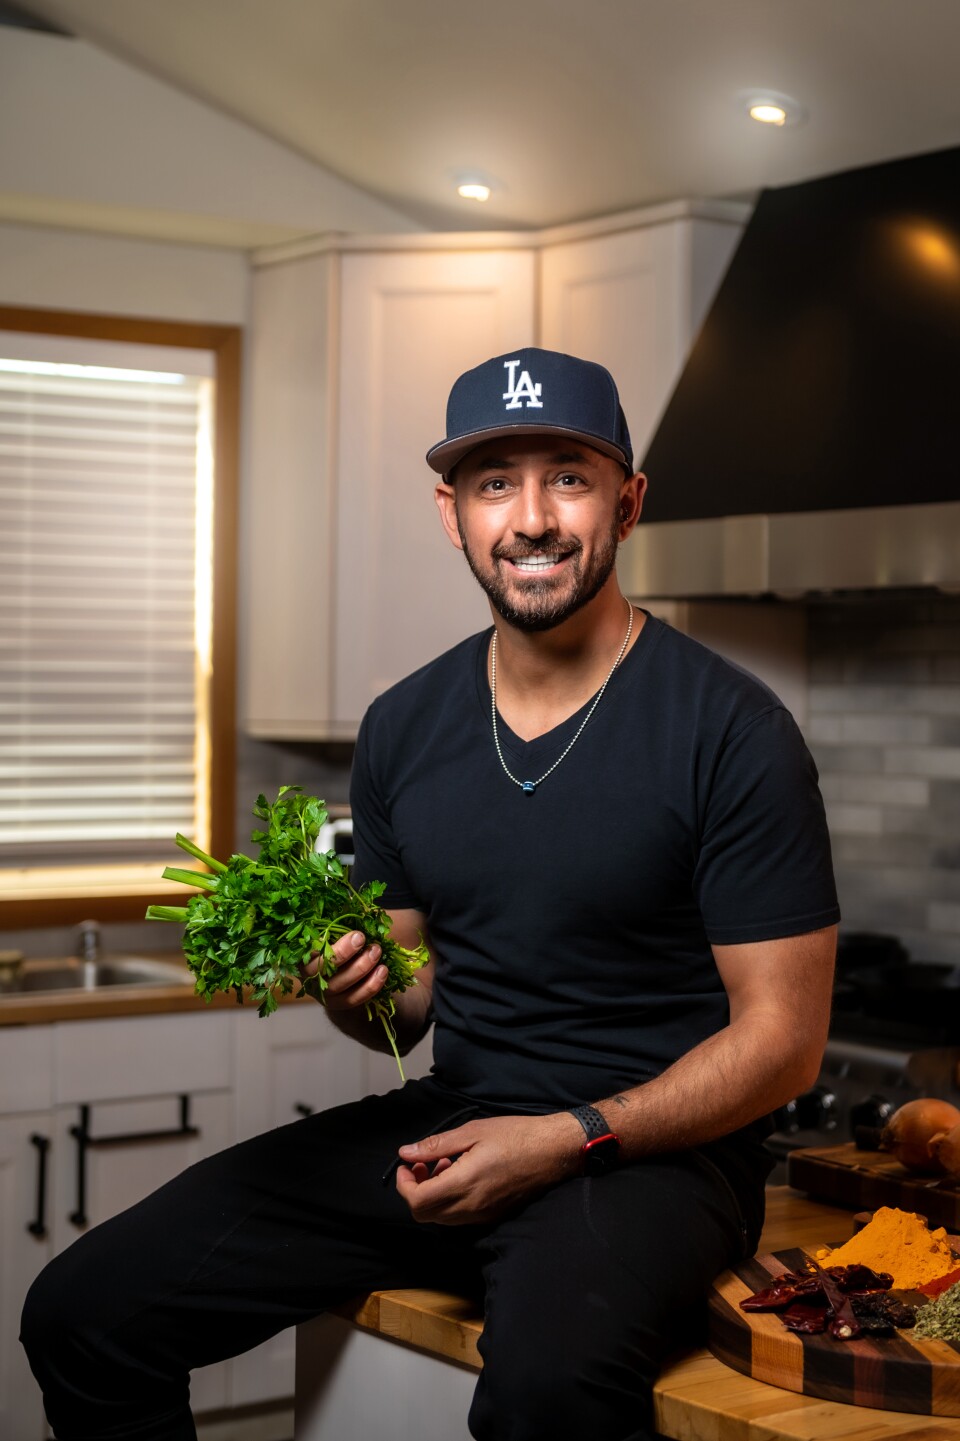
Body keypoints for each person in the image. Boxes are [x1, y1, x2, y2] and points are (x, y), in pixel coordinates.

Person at [21, 347, 839, 1441]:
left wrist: (569, 1135)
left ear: (629, 503)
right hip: (460, 1116)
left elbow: (786, 1042)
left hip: (654, 1159)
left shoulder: (732, 731)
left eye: (570, 475)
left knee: (549, 1395)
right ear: (452, 513)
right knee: (84, 1311)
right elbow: (404, 1008)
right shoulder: (405, 724)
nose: (533, 516)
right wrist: (348, 984)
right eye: (497, 481)